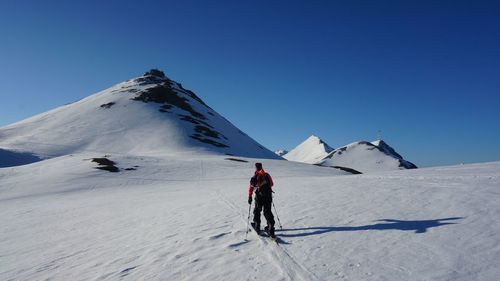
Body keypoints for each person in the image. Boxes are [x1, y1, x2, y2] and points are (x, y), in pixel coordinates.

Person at [248, 162, 275, 238]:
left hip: (259, 197)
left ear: (256, 168)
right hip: (268, 196)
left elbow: (251, 187)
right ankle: (270, 228)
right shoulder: (267, 175)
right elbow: (272, 184)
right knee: (267, 211)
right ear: (262, 167)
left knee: (257, 210)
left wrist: (250, 196)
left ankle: (257, 226)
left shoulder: (254, 176)